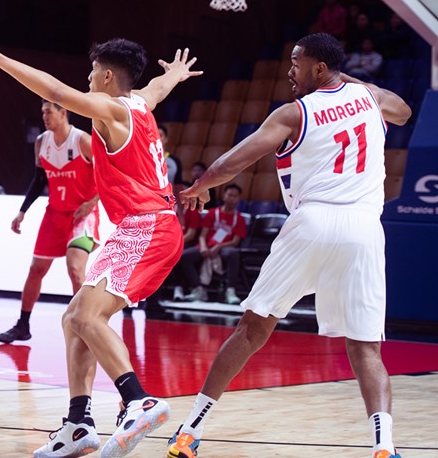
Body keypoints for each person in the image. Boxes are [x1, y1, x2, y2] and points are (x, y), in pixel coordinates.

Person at [0, 11, 200, 458]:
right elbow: (157, 87)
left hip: (145, 226)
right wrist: (178, 77)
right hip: (148, 227)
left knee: (87, 318)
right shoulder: (140, 103)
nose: (87, 78)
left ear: (108, 76)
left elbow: (54, 91)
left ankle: (138, 401)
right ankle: (78, 423)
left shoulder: (110, 108)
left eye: (92, 71)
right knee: (75, 318)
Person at [166, 33, 410, 458]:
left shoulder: (295, 113)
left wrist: (200, 185)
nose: (289, 71)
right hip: (365, 229)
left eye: (297, 63)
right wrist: (349, 81)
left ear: (318, 69)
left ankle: (189, 431)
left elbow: (237, 159)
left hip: (314, 221)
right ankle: (384, 446)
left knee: (252, 329)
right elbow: (404, 112)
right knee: (366, 346)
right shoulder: (370, 96)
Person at [0, 100, 100, 344]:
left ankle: (82, 325)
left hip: (81, 215)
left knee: (75, 269)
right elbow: (39, 179)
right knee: (36, 270)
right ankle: (23, 325)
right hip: (54, 214)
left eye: (48, 112)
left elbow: (108, 176)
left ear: (63, 112)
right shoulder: (42, 142)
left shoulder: (82, 140)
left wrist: (93, 203)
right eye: (42, 112)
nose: (44, 116)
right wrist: (22, 211)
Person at [173, 183, 246, 304]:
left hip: (224, 247)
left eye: (235, 196)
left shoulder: (239, 218)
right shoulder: (212, 213)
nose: (232, 198)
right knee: (184, 256)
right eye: (229, 195)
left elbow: (235, 242)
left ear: (238, 198)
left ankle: (230, 290)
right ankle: (198, 289)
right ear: (224, 196)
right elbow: (202, 236)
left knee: (233, 254)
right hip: (207, 245)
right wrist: (203, 247)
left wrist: (218, 247)